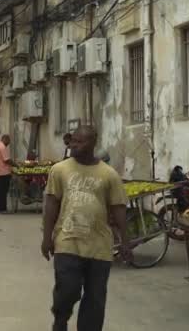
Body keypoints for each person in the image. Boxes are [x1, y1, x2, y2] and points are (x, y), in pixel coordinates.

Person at [42, 126, 132, 331]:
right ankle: (60, 319)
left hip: (99, 246)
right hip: (67, 242)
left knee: (95, 299)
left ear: (93, 143)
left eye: (79, 142)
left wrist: (125, 241)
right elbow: (51, 205)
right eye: (72, 141)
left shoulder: (109, 175)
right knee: (67, 291)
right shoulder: (60, 170)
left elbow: (118, 208)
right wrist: (47, 238)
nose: (74, 145)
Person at [0, 135, 14, 213]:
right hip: (4, 171)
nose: (8, 143)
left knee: (0, 190)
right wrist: (15, 164)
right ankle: (2, 208)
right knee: (3, 191)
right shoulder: (2, 147)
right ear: (5, 139)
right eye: (8, 141)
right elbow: (6, 159)